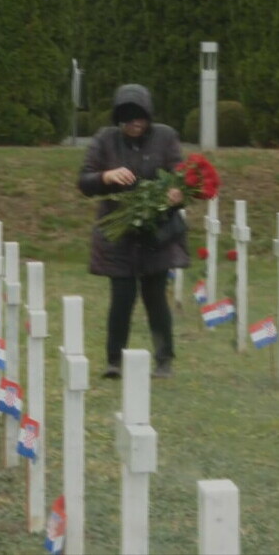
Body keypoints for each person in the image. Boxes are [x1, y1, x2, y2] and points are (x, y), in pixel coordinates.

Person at [77, 84, 189, 379]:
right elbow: (85, 180)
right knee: (122, 297)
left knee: (156, 298)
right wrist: (106, 176)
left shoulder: (165, 137)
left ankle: (164, 359)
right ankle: (115, 360)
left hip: (158, 233)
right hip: (120, 234)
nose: (134, 125)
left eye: (139, 119)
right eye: (127, 120)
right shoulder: (105, 140)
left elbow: (182, 175)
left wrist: (178, 192)